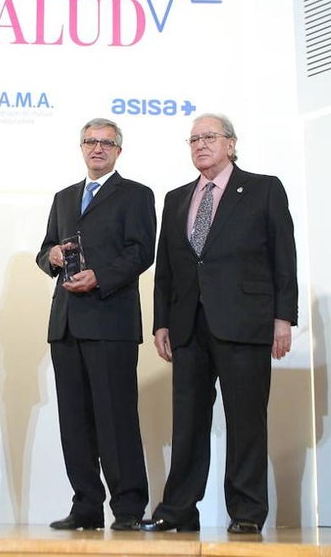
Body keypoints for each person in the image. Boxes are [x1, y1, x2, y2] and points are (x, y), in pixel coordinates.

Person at [141, 113, 297, 535]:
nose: (200, 145)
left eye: (208, 137)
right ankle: (178, 509)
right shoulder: (176, 198)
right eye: (193, 139)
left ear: (231, 143)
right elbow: (168, 269)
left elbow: (284, 257)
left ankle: (246, 511)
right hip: (188, 323)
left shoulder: (263, 189)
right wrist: (161, 323)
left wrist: (283, 318)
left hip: (246, 321)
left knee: (246, 419)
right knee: (187, 421)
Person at [35, 118, 155, 531]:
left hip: (110, 322)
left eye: (106, 143)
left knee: (116, 418)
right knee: (75, 420)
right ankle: (86, 504)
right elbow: (44, 249)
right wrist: (50, 257)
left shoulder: (137, 195)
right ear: (81, 147)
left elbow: (142, 252)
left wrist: (100, 275)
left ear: (119, 150)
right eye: (90, 141)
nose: (97, 148)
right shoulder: (64, 197)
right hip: (65, 323)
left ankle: (128, 508)